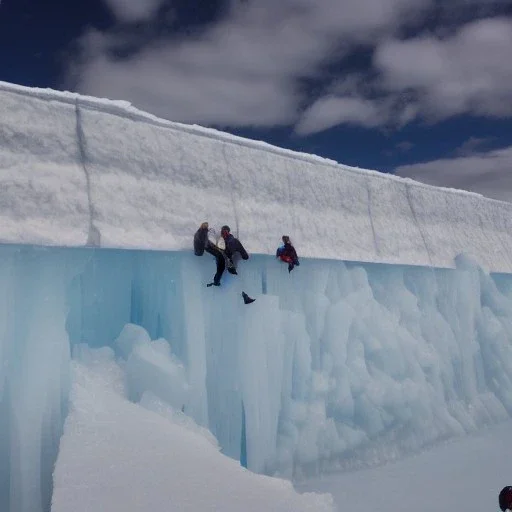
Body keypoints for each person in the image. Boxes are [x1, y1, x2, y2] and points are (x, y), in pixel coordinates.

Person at [220, 225, 255, 304]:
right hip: (231, 264)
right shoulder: (231, 240)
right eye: (223, 232)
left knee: (230, 280)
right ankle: (244, 295)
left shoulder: (229, 240)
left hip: (230, 264)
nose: (224, 233)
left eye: (225, 231)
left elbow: (228, 251)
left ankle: (244, 295)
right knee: (234, 279)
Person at [193, 222, 225, 287]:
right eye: (206, 226)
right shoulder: (201, 233)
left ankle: (216, 281)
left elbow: (205, 241)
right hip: (200, 251)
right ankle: (216, 281)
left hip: (200, 250)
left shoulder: (201, 232)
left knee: (220, 256)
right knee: (220, 258)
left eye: (207, 226)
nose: (207, 227)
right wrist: (215, 248)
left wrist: (215, 247)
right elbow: (205, 244)